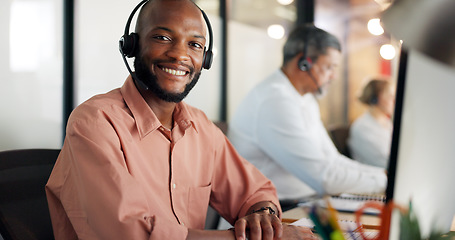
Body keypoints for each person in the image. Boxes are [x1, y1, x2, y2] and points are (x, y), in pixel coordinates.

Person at [45, 0, 314, 239]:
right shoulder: (95, 121)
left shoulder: (200, 128)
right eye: (162, 37)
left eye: (195, 44)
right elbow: (130, 232)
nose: (180, 55)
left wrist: (263, 216)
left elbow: (255, 191)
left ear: (205, 59)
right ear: (133, 45)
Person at [228, 25, 387, 206]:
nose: (334, 76)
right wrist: (386, 182)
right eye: (329, 67)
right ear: (303, 63)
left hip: (302, 203)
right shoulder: (275, 100)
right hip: (269, 212)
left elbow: (332, 160)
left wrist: (382, 175)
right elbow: (326, 178)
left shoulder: (304, 98)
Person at [348, 77, 395, 169]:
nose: (394, 100)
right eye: (390, 96)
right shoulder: (362, 128)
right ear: (376, 98)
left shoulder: (387, 123)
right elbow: (385, 162)